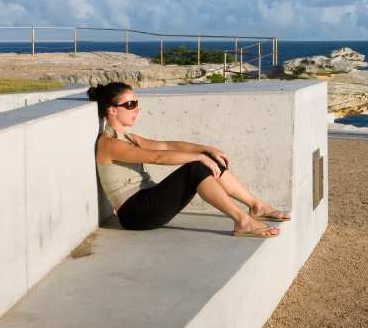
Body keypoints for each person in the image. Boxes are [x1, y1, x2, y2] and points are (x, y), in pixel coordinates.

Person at [90, 81, 288, 237]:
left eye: (136, 104)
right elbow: (157, 157)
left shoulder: (129, 139)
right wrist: (199, 158)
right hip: (135, 214)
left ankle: (256, 207)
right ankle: (242, 221)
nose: (136, 110)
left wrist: (207, 150)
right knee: (196, 167)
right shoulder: (109, 144)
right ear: (112, 110)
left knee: (208, 160)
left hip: (149, 202)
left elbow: (168, 146)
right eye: (130, 105)